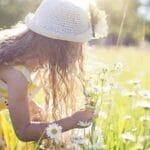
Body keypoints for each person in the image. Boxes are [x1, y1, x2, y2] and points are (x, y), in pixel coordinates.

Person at [0, 0, 107, 145]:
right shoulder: (18, 75)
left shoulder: (15, 55)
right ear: (58, 47)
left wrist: (29, 104)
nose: (78, 54)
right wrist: (72, 121)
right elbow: (23, 132)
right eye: (76, 47)